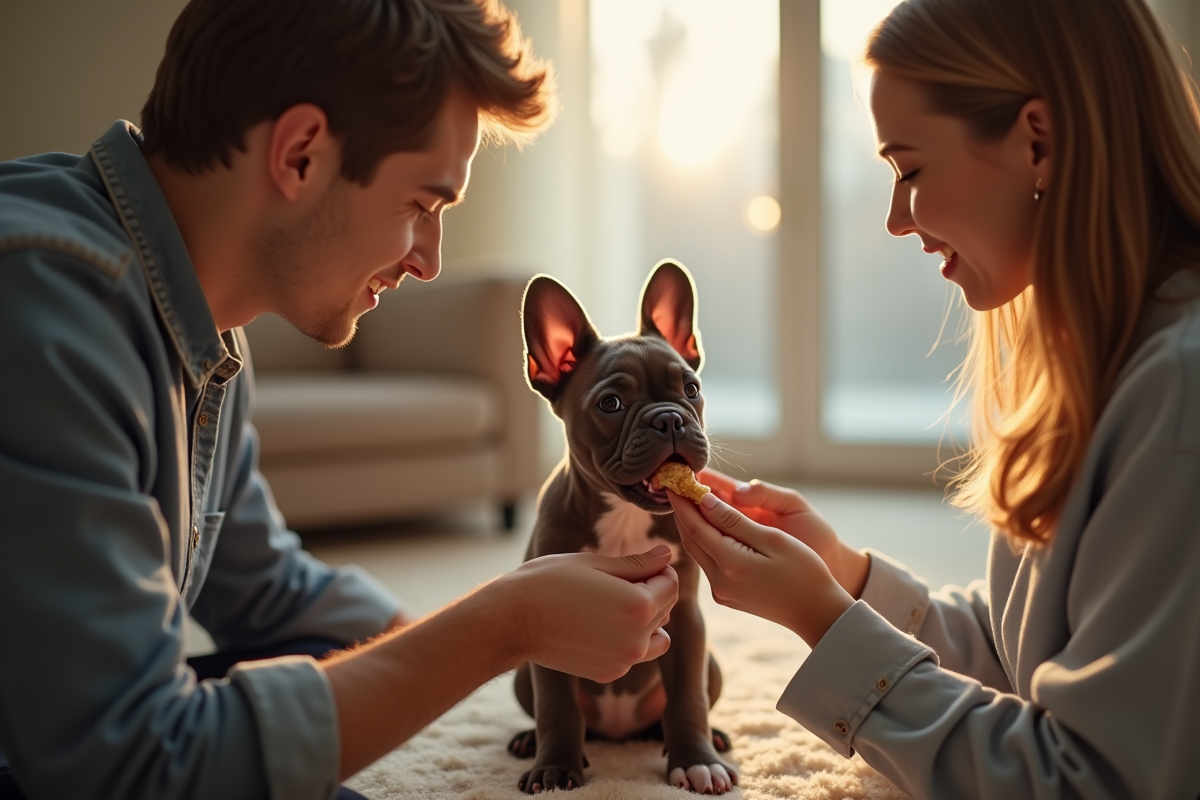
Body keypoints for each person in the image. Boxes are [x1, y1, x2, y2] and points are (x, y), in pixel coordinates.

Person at [0, 1, 679, 799]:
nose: (429, 262)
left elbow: (259, 588)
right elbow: (135, 766)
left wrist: (467, 618)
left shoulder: (207, 326)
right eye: (422, 207)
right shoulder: (50, 306)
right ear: (299, 155)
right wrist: (506, 628)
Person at [667, 0, 1200, 797]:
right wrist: (844, 577)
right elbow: (1041, 652)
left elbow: (1094, 778)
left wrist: (825, 622)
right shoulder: (1113, 365)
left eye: (909, 170)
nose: (892, 218)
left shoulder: (1178, 400)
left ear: (1038, 141)